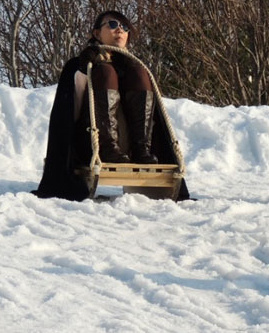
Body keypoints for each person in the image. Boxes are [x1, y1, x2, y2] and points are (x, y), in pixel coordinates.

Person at [34, 10, 189, 201]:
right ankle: (108, 149)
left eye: (125, 27)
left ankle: (142, 151)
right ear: (97, 34)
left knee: (139, 75)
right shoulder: (82, 65)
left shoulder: (135, 67)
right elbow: (69, 113)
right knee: (106, 73)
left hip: (129, 149)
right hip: (90, 147)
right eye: (113, 25)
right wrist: (85, 69)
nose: (120, 30)